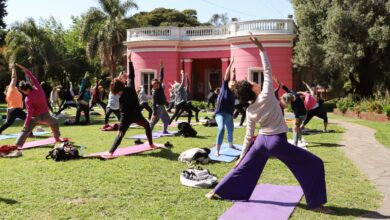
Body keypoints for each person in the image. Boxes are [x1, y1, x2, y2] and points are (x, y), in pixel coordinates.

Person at [206, 34, 331, 214]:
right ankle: (317, 204)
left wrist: (242, 157)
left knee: (244, 167)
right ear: (253, 89)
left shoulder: (250, 110)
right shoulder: (266, 94)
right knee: (315, 164)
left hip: (260, 142)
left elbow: (249, 135)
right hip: (275, 141)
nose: (253, 81)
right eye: (251, 82)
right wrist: (261, 48)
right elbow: (267, 70)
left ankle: (217, 191)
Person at [103, 53, 156, 156]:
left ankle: (110, 152)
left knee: (120, 134)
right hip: (136, 115)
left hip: (126, 117)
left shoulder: (118, 94)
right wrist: (130, 61)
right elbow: (132, 76)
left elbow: (118, 84)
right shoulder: (130, 88)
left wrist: (121, 78)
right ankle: (151, 144)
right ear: (123, 84)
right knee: (147, 126)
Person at [14, 63, 62, 149]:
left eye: (23, 91)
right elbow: (31, 75)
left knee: (25, 131)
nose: (23, 93)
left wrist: (25, 123)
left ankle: (17, 146)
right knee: (55, 122)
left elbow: (29, 112)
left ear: (27, 89)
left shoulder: (27, 99)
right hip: (46, 116)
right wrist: (21, 67)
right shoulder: (39, 88)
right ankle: (57, 138)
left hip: (34, 118)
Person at [214, 57, 238, 157]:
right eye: (231, 83)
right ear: (228, 84)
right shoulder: (224, 88)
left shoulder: (233, 93)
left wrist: (235, 73)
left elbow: (233, 79)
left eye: (234, 83)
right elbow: (226, 75)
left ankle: (231, 145)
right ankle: (217, 151)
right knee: (221, 129)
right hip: (220, 114)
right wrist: (231, 63)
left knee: (231, 130)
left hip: (229, 115)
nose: (232, 83)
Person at [0, 65, 28, 136]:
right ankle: (29, 133)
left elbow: (8, 106)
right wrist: (13, 68)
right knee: (29, 119)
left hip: (11, 110)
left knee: (8, 123)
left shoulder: (11, 93)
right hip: (15, 110)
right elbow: (13, 77)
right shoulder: (11, 88)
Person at [280, 81, 307, 146]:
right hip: (303, 112)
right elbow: (285, 87)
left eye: (287, 102)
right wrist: (277, 81)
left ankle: (295, 144)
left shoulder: (296, 106)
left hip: (301, 115)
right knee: (298, 128)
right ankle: (300, 139)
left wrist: (296, 124)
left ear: (289, 100)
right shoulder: (292, 93)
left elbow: (297, 117)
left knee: (295, 128)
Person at [150, 61, 170, 133]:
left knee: (167, 120)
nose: (156, 85)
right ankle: (148, 132)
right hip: (158, 107)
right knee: (154, 121)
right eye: (154, 84)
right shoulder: (155, 93)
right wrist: (154, 114)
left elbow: (161, 76)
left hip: (162, 106)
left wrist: (161, 67)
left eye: (157, 83)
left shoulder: (160, 86)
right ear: (153, 85)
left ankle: (164, 131)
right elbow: (154, 104)